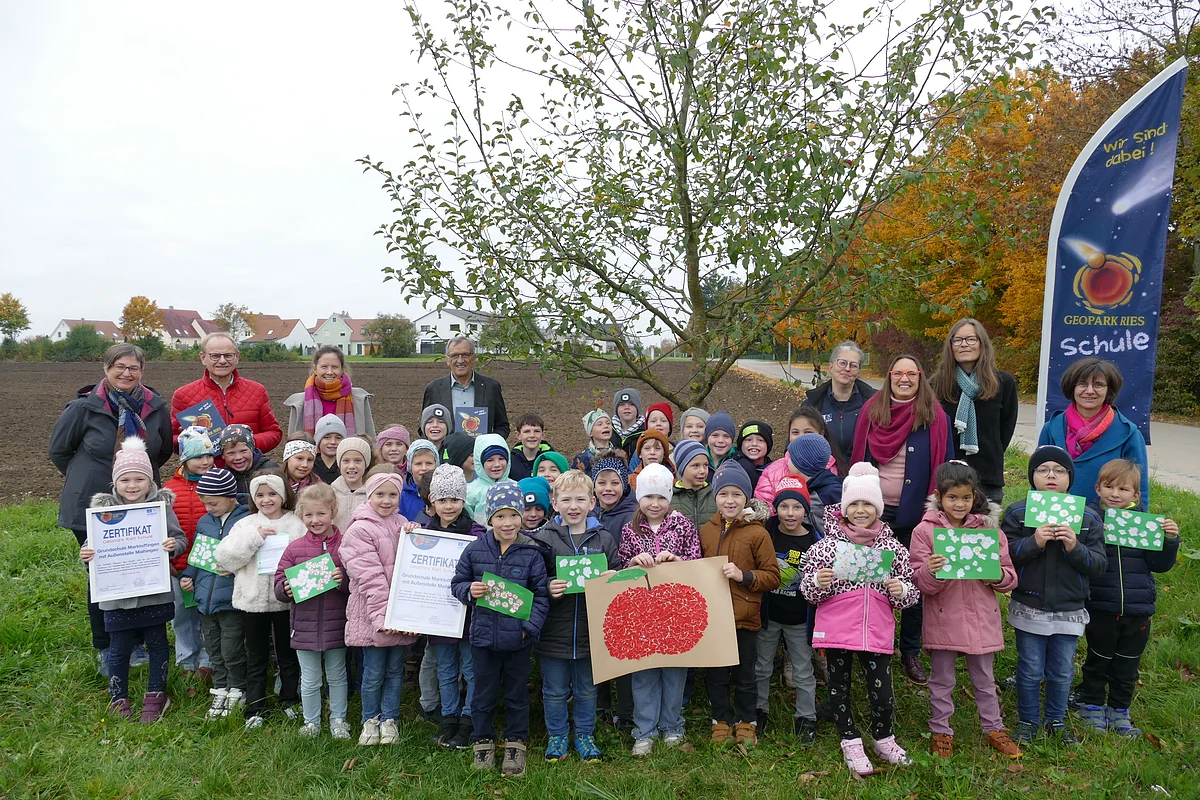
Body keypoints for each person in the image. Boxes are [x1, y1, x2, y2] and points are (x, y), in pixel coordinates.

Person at [50, 343, 173, 675]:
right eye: (120, 366)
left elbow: (161, 451)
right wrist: (88, 478)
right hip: (92, 506)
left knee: (140, 572)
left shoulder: (155, 407)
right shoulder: (83, 408)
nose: (126, 373)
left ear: (142, 371)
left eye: (133, 368)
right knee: (103, 576)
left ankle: (137, 644)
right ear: (106, 368)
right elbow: (59, 451)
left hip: (141, 507)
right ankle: (107, 646)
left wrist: (137, 481)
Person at [801, 463, 919, 776]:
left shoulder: (892, 548)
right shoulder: (826, 547)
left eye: (868, 504)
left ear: (878, 508)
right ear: (844, 507)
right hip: (838, 630)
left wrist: (900, 589)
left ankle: (884, 737)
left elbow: (910, 595)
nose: (861, 510)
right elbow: (808, 592)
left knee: (881, 689)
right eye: (854, 503)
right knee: (839, 686)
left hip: (876, 630)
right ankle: (850, 739)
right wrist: (818, 583)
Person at [852, 353, 954, 685]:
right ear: (890, 376)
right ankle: (871, 645)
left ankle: (909, 651)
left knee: (913, 581)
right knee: (871, 577)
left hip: (917, 514)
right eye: (899, 373)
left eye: (912, 373)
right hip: (875, 513)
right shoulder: (872, 411)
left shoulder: (934, 414)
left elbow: (944, 465)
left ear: (920, 377)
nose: (905, 379)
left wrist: (936, 507)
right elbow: (859, 461)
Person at [909, 461, 1023, 759]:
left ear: (975, 497)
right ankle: (941, 730)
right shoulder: (925, 531)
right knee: (942, 678)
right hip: (944, 616)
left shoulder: (988, 531)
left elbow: (1010, 577)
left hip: (981, 617)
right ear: (939, 496)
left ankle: (994, 727)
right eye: (952, 498)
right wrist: (932, 571)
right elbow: (920, 581)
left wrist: (996, 575)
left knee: (985, 678)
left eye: (966, 498)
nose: (959, 504)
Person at [1001, 445, 1107, 746]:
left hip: (1069, 607)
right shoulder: (1019, 512)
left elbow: (1099, 565)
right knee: (1030, 667)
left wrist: (1076, 547)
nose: (1051, 476)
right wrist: (1033, 542)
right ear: (1032, 476)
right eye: (1042, 470)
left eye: (1059, 471)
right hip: (1030, 603)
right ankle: (1027, 720)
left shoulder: (1087, 517)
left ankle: (1056, 719)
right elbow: (1005, 555)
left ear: (1070, 478)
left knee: (1062, 670)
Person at [78, 438, 185, 722]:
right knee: (119, 647)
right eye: (125, 479)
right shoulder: (103, 513)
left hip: (155, 592)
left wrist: (172, 545)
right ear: (115, 482)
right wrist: (87, 554)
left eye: (140, 479)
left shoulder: (160, 509)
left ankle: (156, 695)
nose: (133, 485)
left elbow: (181, 538)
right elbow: (92, 549)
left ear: (150, 482)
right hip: (117, 596)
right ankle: (118, 697)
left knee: (158, 642)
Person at [451, 481, 551, 778]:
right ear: (489, 518)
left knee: (516, 694)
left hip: (518, 642)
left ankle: (515, 742)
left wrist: (528, 629)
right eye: (500, 516)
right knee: (482, 694)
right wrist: (470, 589)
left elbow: (541, 595)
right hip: (482, 639)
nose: (508, 523)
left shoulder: (531, 553)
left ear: (522, 517)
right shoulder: (475, 550)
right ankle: (482, 740)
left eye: (513, 516)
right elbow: (456, 584)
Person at [1075, 459, 1180, 737]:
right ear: (1097, 488)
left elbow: (1159, 565)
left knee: (1127, 663)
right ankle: (1092, 705)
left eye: (1123, 489)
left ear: (1136, 495)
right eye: (1109, 486)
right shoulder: (1088, 520)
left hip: (1137, 608)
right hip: (1101, 605)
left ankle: (1120, 710)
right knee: (1098, 658)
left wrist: (1169, 540)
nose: (1115, 494)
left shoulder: (1146, 525)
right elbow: (1081, 559)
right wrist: (1093, 536)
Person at [530, 470, 618, 763]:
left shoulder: (604, 539)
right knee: (554, 690)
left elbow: (618, 574)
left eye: (580, 499)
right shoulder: (543, 539)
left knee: (587, 690)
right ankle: (556, 735)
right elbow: (532, 580)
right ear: (554, 503)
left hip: (591, 633)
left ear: (592, 502)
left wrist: (613, 578)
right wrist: (547, 586)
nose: (573, 506)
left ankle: (584, 734)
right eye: (565, 499)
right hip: (554, 632)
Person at [617, 464, 703, 756]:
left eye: (661, 498)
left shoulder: (683, 526)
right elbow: (619, 569)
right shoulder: (630, 529)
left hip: (675, 612)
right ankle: (644, 730)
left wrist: (676, 560)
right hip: (641, 613)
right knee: (644, 672)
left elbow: (696, 562)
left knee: (674, 672)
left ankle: (672, 725)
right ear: (639, 498)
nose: (655, 504)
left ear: (670, 498)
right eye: (648, 497)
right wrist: (632, 563)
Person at [700, 461, 781, 748]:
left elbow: (773, 576)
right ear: (716, 497)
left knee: (746, 675)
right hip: (714, 618)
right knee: (717, 675)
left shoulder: (758, 533)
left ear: (746, 497)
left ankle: (747, 721)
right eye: (724, 494)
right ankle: (720, 720)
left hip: (745, 616)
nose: (730, 500)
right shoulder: (706, 530)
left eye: (736, 494)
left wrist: (744, 575)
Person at [215, 472, 306, 727]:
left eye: (272, 494)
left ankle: (289, 699)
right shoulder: (246, 525)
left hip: (286, 600)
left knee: (288, 654)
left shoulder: (296, 524)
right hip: (252, 600)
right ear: (254, 499)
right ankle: (255, 706)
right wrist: (255, 537)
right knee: (256, 655)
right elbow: (226, 558)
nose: (267, 500)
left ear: (283, 496)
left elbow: (304, 556)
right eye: (260, 495)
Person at [340, 472, 418, 747]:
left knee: (395, 670)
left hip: (399, 614)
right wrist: (383, 617)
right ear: (369, 495)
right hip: (372, 615)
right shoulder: (359, 530)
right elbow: (369, 578)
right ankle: (369, 720)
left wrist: (417, 535)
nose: (386, 500)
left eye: (393, 494)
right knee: (372, 673)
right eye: (380, 494)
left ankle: (390, 720)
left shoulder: (403, 524)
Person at [274, 483, 351, 739]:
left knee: (338, 675)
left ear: (333, 511)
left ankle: (339, 720)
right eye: (309, 515)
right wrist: (284, 588)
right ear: (301, 515)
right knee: (309, 678)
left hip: (336, 624)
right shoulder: (294, 549)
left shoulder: (346, 546)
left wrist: (343, 580)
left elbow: (356, 584)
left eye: (321, 514)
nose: (315, 520)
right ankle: (312, 722)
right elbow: (278, 583)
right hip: (304, 627)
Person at [424, 465, 486, 750]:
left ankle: (469, 719)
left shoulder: (479, 534)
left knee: (472, 670)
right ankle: (449, 717)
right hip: (439, 616)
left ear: (463, 500)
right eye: (442, 499)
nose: (448, 506)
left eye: (454, 499)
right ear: (432, 502)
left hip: (472, 616)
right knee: (446, 669)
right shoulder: (422, 535)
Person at [754, 475, 819, 743]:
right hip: (768, 616)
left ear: (806, 510)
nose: (790, 513)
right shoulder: (766, 532)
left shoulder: (815, 540)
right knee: (761, 666)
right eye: (784, 506)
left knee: (803, 669)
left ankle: (807, 716)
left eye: (796, 507)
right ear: (775, 508)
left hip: (798, 619)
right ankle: (758, 710)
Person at [181, 467, 250, 720]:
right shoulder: (204, 522)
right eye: (205, 503)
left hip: (231, 599)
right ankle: (220, 688)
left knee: (232, 648)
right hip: (205, 600)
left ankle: (237, 689)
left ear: (231, 496)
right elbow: (198, 555)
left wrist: (234, 568)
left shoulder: (244, 521)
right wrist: (190, 575)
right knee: (214, 648)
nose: (209, 508)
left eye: (213, 502)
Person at [931, 319, 1020, 505]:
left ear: (982, 343)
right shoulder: (937, 384)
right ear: (951, 346)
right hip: (948, 478)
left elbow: (1005, 429)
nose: (964, 344)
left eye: (971, 339)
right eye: (958, 340)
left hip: (987, 477)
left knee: (985, 532)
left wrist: (991, 452)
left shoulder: (1002, 383)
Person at [1037, 357, 1149, 504]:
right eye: (1082, 384)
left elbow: (1140, 488)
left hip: (1105, 520)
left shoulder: (1129, 433)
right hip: (1057, 516)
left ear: (1109, 390)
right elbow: (1037, 477)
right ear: (1072, 387)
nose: (1089, 391)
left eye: (1098, 385)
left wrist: (1135, 524)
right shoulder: (1051, 428)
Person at [588, 452, 637, 731]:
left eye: (615, 482)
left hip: (624, 591)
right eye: (602, 482)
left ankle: (626, 711)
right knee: (598, 648)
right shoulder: (587, 514)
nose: (608, 488)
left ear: (625, 486)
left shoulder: (632, 516)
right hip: (594, 593)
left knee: (623, 651)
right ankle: (601, 705)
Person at [170, 332, 282, 453]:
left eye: (228, 355)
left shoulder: (257, 391)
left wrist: (247, 442)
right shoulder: (183, 395)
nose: (222, 361)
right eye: (215, 356)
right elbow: (170, 439)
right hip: (206, 470)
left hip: (248, 469)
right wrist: (188, 441)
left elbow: (274, 433)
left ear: (237, 357)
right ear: (203, 358)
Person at [163, 427, 215, 679]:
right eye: (197, 456)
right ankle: (186, 659)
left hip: (209, 566)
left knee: (207, 614)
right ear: (184, 459)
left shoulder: (219, 482)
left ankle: (208, 659)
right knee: (181, 615)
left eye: (209, 455)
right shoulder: (169, 490)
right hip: (178, 565)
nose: (205, 461)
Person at [422, 337, 511, 439]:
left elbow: (502, 426)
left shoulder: (491, 387)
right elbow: (424, 428)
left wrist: (489, 445)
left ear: (473, 358)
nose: (460, 360)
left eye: (465, 355)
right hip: (446, 453)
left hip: (480, 453)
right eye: (454, 356)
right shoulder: (434, 389)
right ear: (447, 360)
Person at [755, 408, 845, 509]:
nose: (801, 437)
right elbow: (763, 509)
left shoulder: (834, 470)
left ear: (821, 434)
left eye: (808, 432)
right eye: (795, 432)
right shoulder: (772, 471)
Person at [802, 341, 878, 458]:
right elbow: (796, 445)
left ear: (858, 372)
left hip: (861, 473)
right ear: (831, 367)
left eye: (853, 365)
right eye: (842, 363)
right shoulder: (812, 405)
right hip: (823, 473)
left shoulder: (874, 404)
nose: (847, 369)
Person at [284, 345, 376, 439]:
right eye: (324, 367)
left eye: (335, 367)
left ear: (342, 370)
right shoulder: (300, 403)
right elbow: (293, 444)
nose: (329, 372)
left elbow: (371, 440)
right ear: (315, 369)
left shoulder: (359, 399)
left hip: (350, 453)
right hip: (311, 453)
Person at [669, 440, 716, 532]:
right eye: (696, 465)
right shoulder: (670, 498)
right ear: (682, 468)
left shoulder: (715, 495)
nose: (702, 471)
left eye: (705, 465)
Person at [218, 425, 278, 495]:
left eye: (243, 451)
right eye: (231, 453)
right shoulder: (223, 478)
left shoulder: (270, 469)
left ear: (252, 449)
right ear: (223, 455)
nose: (238, 457)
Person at [465, 434, 512, 525]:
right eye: (490, 460)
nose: (497, 464)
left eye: (501, 459)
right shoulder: (471, 491)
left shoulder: (516, 487)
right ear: (480, 463)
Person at [332, 437, 376, 532]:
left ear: (366, 463)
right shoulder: (331, 493)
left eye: (358, 461)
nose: (351, 466)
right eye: (346, 461)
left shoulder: (373, 494)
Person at [401, 439, 441, 521]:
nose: (424, 468)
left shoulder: (442, 491)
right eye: (418, 464)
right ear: (410, 467)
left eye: (429, 463)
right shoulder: (401, 494)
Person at [732, 420, 774, 492]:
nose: (754, 444)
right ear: (741, 445)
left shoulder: (774, 470)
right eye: (748, 440)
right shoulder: (732, 466)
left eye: (760, 440)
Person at [509, 413, 554, 481]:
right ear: (518, 435)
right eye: (527, 431)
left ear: (542, 435)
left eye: (537, 431)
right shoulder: (510, 461)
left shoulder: (552, 458)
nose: (532, 435)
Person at [571, 409, 615, 475]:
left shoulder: (619, 454)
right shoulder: (582, 458)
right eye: (599, 424)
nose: (606, 426)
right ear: (590, 432)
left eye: (608, 423)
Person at [312, 414, 346, 485]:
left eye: (338, 438)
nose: (333, 442)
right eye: (327, 437)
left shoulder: (347, 465)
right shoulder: (310, 465)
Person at [610, 388, 646, 453]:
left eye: (631, 404)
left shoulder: (646, 433)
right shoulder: (608, 431)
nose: (627, 407)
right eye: (622, 404)